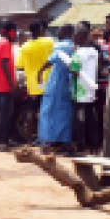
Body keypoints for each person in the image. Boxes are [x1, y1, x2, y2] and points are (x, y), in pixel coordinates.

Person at [37, 24, 75, 153]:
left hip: (55, 84)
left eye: (59, 30)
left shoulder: (60, 45)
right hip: (68, 84)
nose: (57, 33)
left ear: (64, 32)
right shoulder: (73, 46)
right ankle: (65, 142)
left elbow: (51, 60)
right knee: (65, 114)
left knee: (48, 113)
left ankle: (46, 142)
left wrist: (40, 71)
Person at [72, 27, 99, 154]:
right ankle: (93, 145)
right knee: (91, 119)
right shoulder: (94, 52)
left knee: (79, 120)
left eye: (76, 36)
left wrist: (70, 61)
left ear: (81, 37)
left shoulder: (78, 53)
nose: (74, 38)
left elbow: (74, 70)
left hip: (80, 91)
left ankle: (81, 146)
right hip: (91, 89)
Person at [0, 22, 17, 152]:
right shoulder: (5, 44)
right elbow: (5, 64)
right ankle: (1, 142)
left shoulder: (1, 43)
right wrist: (12, 84)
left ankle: (2, 140)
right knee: (4, 115)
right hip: (5, 86)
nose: (15, 34)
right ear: (8, 31)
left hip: (2, 85)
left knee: (4, 114)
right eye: (14, 31)